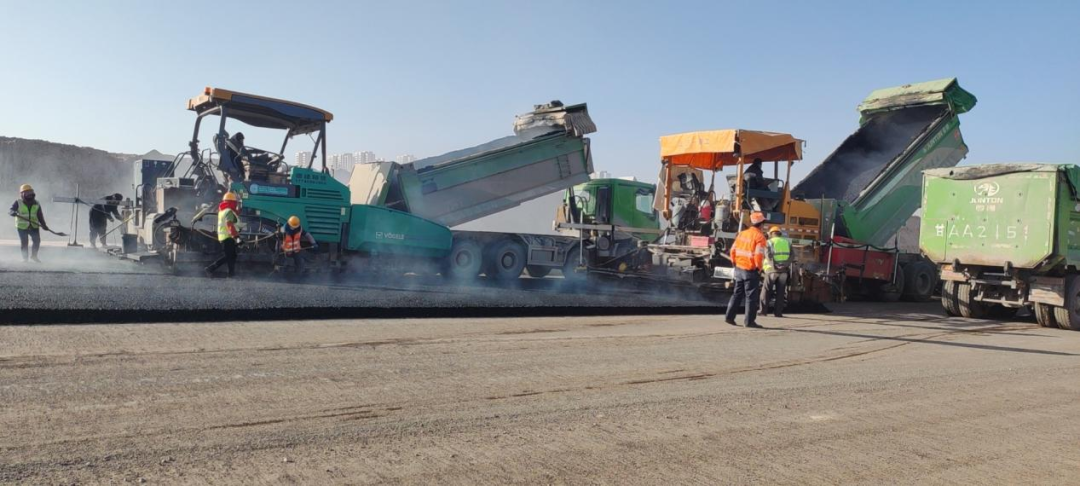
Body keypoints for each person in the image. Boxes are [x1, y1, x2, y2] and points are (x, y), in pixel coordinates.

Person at [725, 211, 768, 328]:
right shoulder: (760, 237)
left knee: (737, 293)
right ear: (761, 224)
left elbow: (732, 250)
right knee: (751, 297)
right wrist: (759, 268)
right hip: (750, 269)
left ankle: (729, 317)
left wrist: (734, 263)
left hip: (739, 268)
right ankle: (749, 321)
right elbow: (758, 255)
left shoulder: (742, 234)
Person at [204, 192, 243, 277]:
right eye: (235, 202)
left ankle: (231, 274)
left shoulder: (223, 210)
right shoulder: (229, 212)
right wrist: (237, 238)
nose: (236, 204)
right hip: (228, 237)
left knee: (232, 255)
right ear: (232, 202)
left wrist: (240, 205)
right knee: (228, 256)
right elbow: (230, 225)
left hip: (224, 236)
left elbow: (236, 213)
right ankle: (210, 269)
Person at [9, 184, 50, 263]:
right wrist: (12, 212)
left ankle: (34, 256)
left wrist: (44, 225)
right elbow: (11, 210)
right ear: (22, 194)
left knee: (37, 241)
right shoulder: (18, 202)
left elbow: (40, 215)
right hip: (22, 227)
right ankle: (25, 258)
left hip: (34, 226)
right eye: (27, 192)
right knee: (24, 242)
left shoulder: (36, 203)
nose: (30, 194)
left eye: (31, 192)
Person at [760, 225, 793, 318]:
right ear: (780, 234)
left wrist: (774, 266)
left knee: (766, 290)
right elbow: (792, 256)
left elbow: (768, 256)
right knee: (781, 292)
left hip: (772, 270)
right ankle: (778, 313)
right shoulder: (787, 242)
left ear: (771, 234)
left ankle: (763, 311)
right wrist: (785, 265)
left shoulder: (769, 242)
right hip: (783, 271)